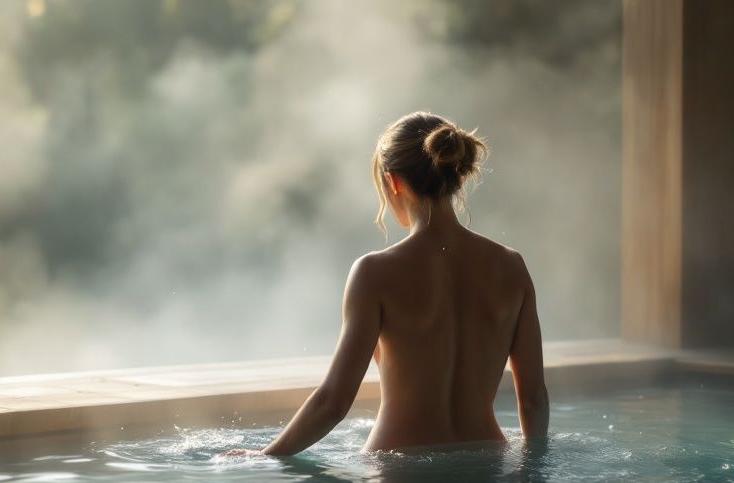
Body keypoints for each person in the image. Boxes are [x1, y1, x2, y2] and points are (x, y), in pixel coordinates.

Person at [225, 111, 549, 457]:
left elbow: (334, 402)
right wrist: (533, 467)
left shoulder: (374, 272)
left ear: (393, 181)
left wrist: (267, 455)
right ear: (457, 175)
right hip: (486, 461)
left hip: (400, 470)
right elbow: (531, 399)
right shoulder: (510, 266)